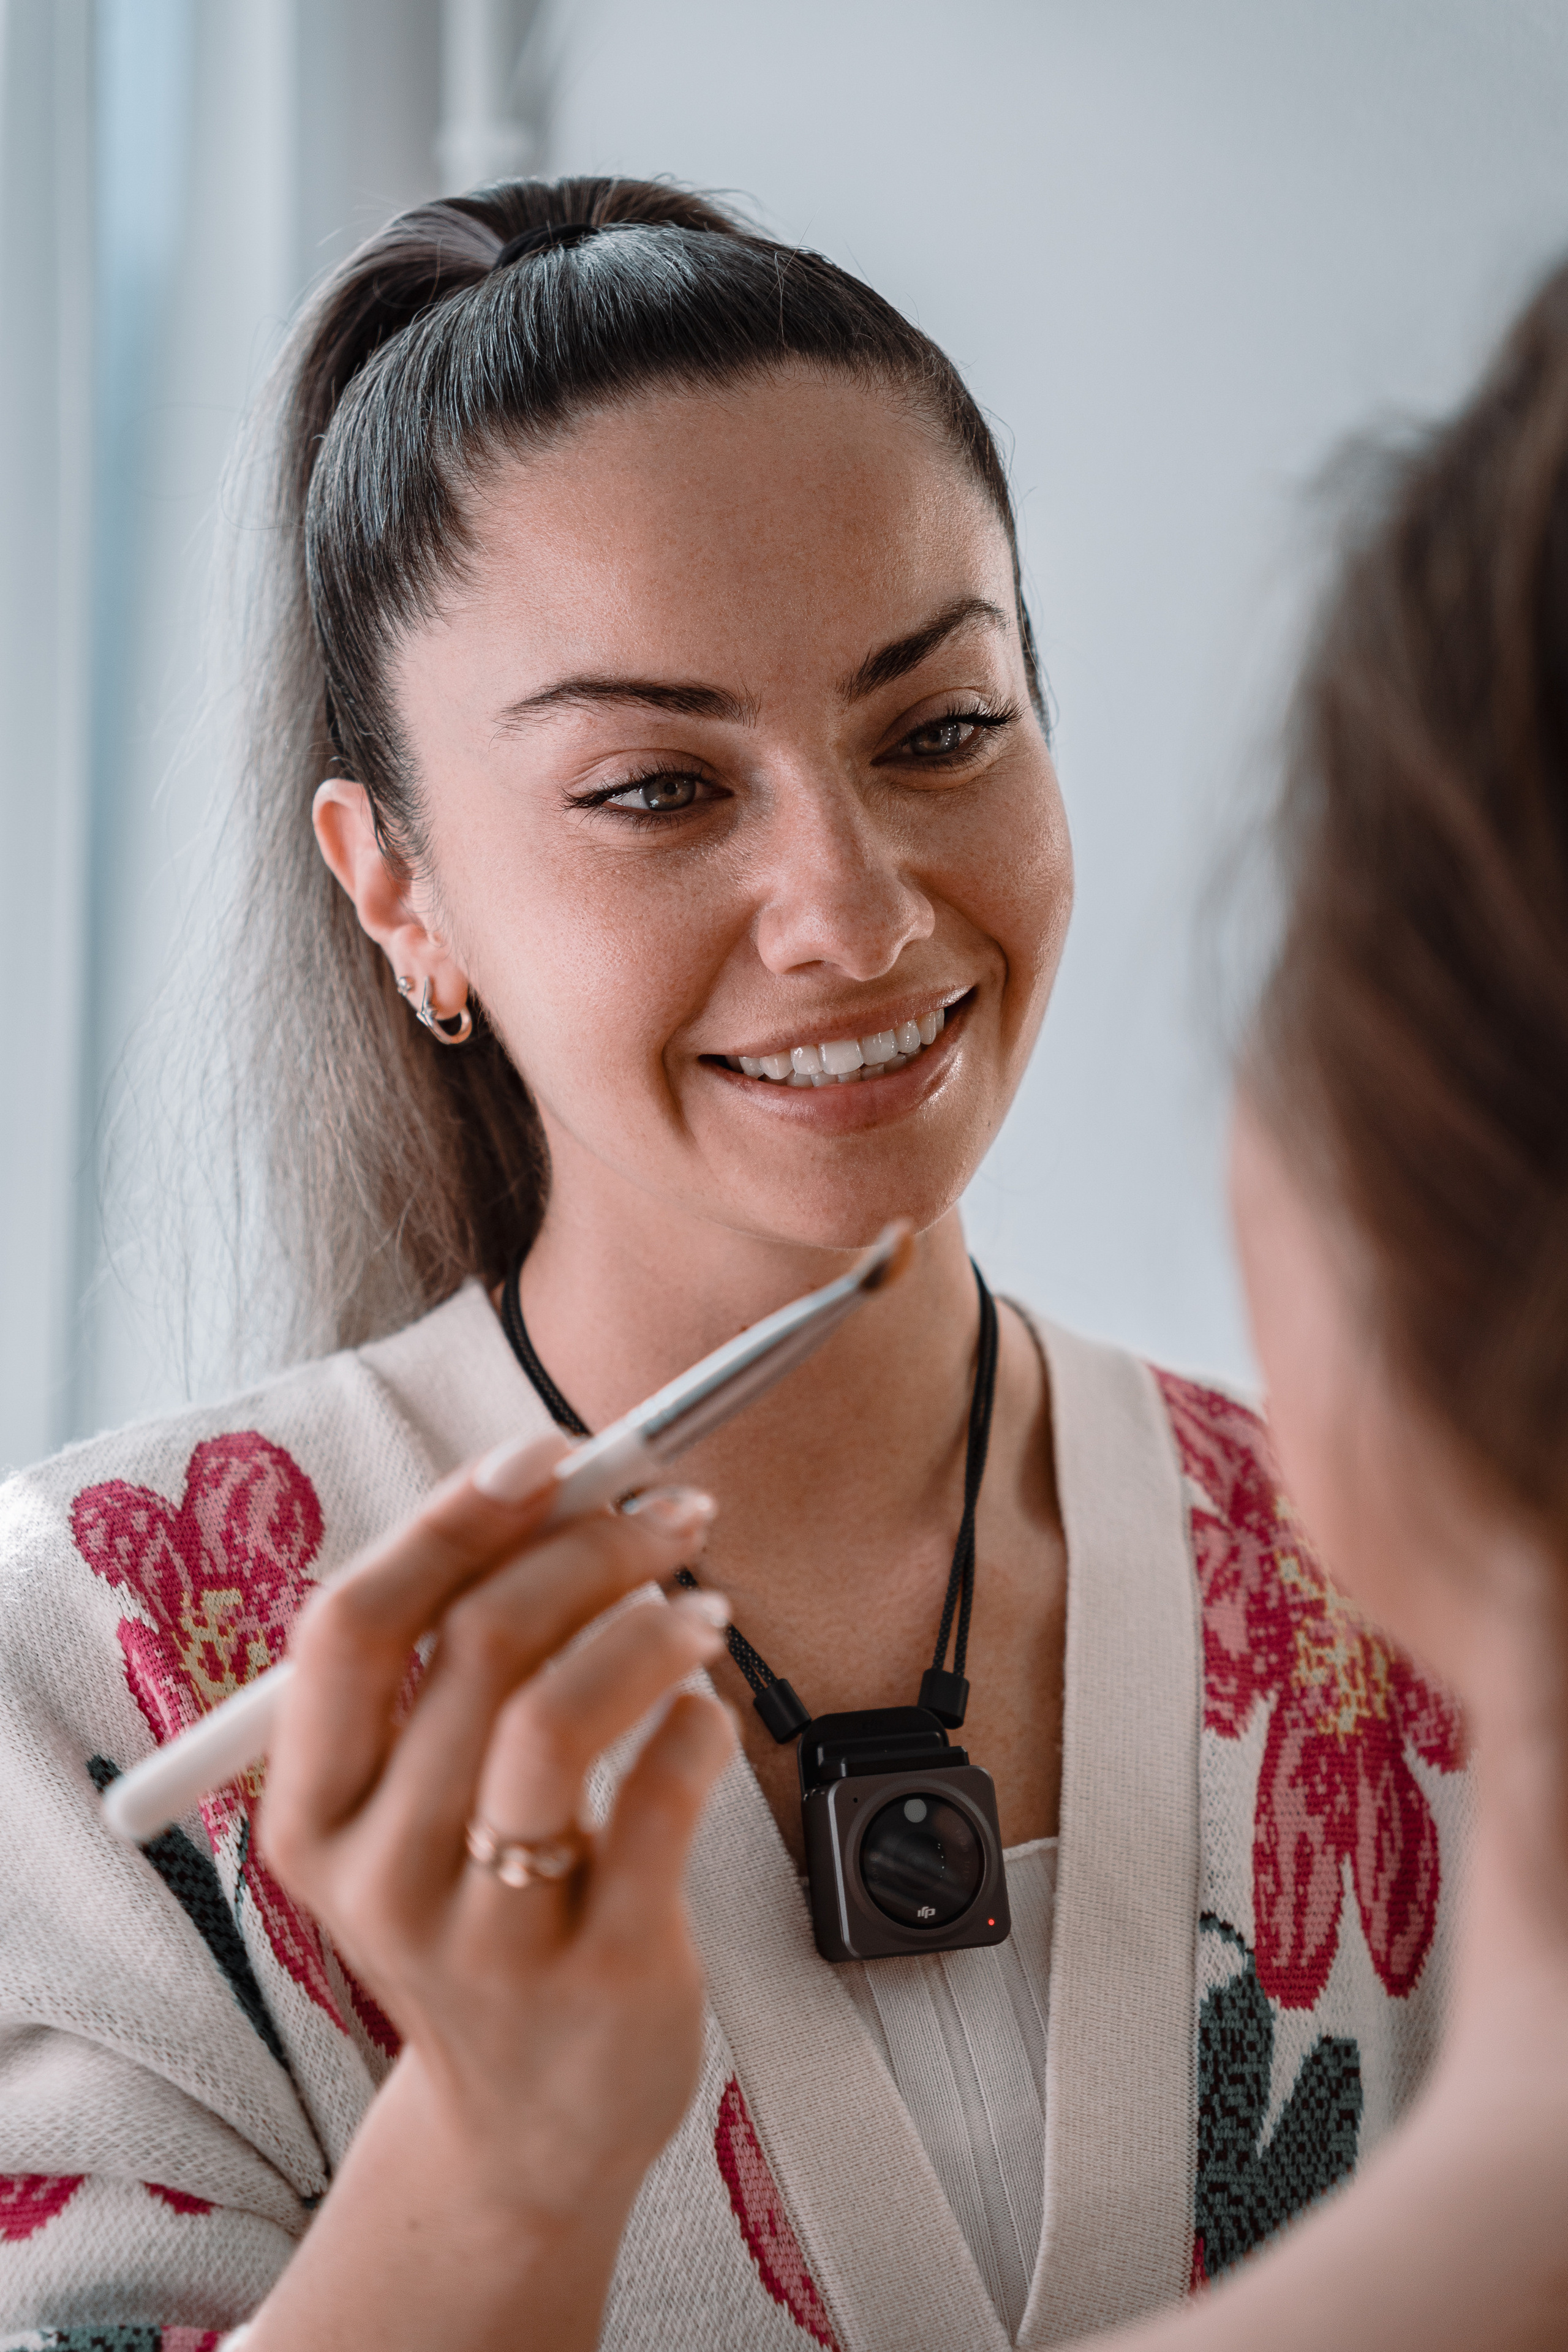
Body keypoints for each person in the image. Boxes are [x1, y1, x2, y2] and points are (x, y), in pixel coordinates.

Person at [0, 181, 1471, 2352]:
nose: (854, 913)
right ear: (396, 888)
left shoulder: (1420, 1580)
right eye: (661, 787)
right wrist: (497, 2171)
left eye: (943, 730)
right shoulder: (97, 1658)